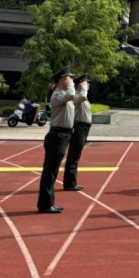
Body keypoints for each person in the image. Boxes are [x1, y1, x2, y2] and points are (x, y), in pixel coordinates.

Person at [36, 66, 75, 214]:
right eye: (68, 78)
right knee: (50, 172)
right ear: (62, 80)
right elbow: (72, 94)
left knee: (52, 171)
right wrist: (71, 84)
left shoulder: (64, 94)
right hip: (57, 136)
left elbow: (78, 97)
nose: (70, 80)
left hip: (63, 135)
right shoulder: (58, 95)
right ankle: (45, 204)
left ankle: (48, 202)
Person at [63, 74, 91, 191]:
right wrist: (83, 88)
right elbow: (83, 97)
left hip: (83, 127)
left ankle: (71, 182)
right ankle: (69, 183)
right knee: (73, 156)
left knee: (76, 156)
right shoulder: (77, 96)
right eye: (86, 83)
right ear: (80, 85)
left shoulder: (81, 96)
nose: (88, 85)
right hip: (79, 127)